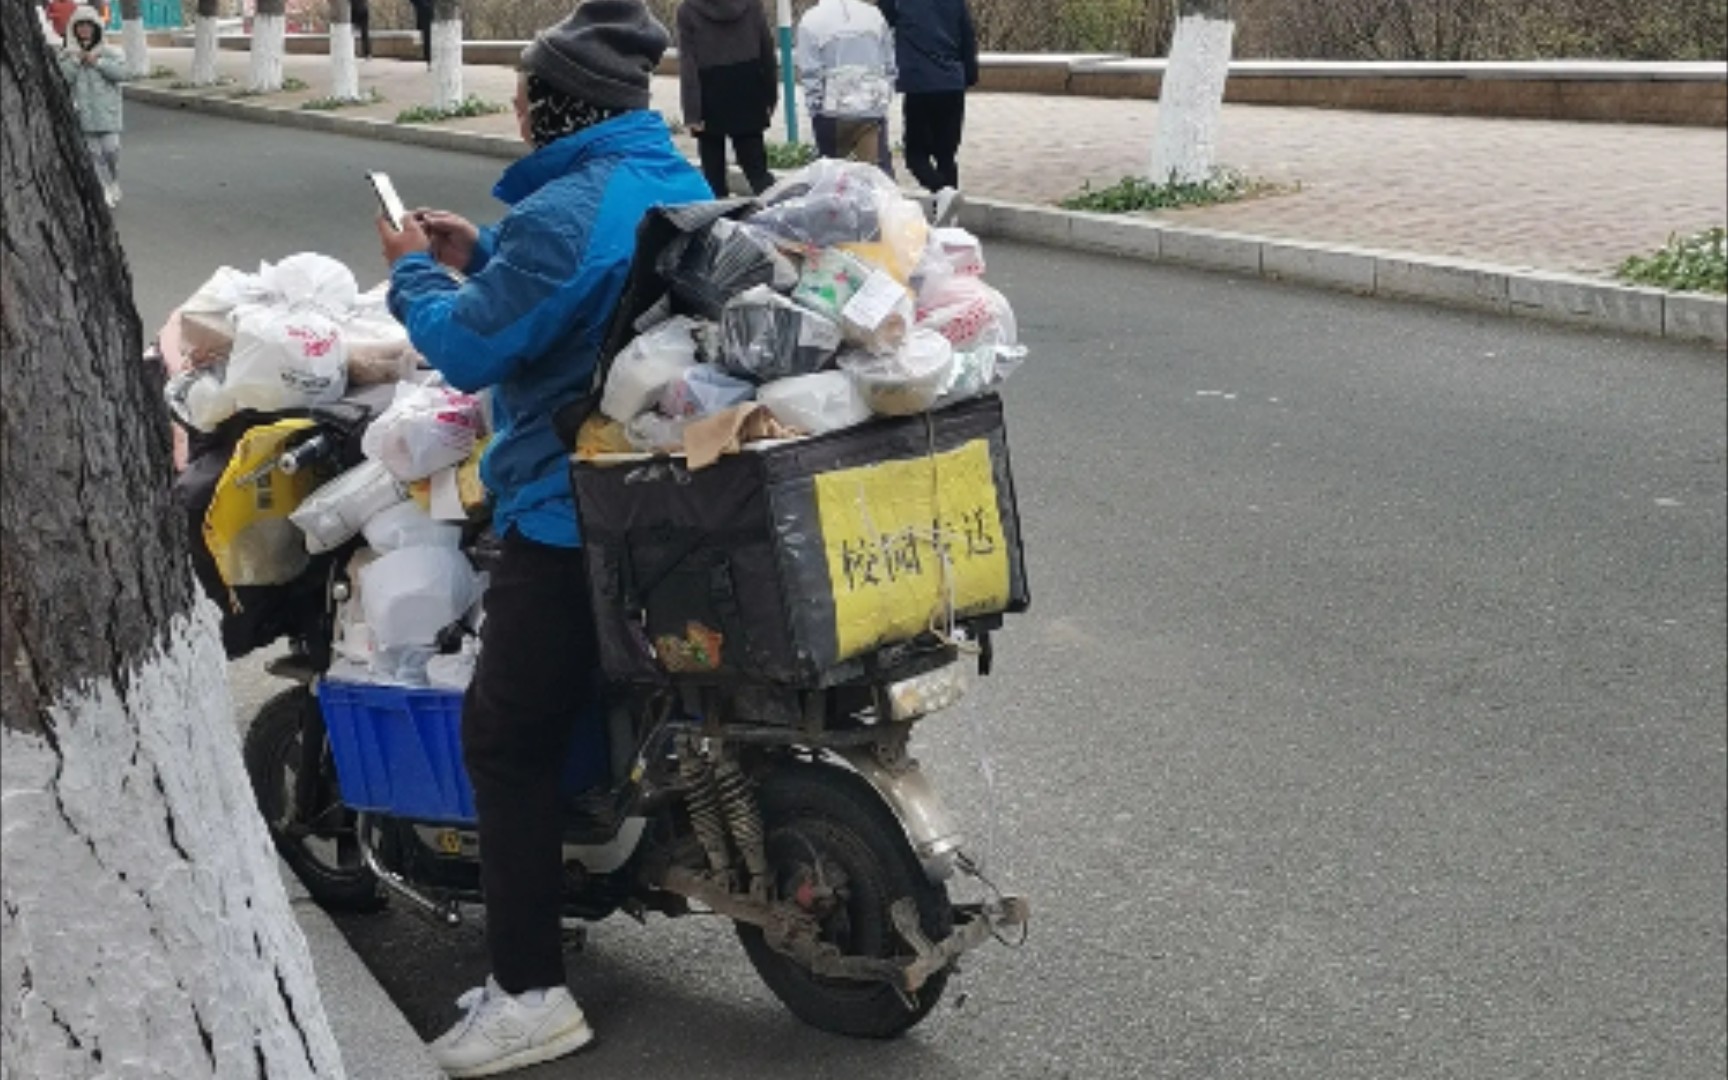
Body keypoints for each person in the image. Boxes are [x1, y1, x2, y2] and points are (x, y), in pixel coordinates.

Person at [373, 2, 710, 1075]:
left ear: (555, 110)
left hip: (572, 508)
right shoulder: (664, 176)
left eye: (522, 95)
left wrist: (415, 268)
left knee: (503, 739)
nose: (514, 111)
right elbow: (576, 289)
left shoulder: (569, 209)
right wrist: (489, 247)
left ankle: (529, 992)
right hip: (667, 491)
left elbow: (469, 349)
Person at [676, 0, 778, 198]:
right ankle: (776, 218)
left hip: (709, 93)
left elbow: (688, 65)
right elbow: (767, 52)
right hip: (749, 88)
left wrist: (692, 113)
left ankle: (719, 223)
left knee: (713, 179)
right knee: (758, 174)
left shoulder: (688, 10)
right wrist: (770, 96)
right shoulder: (752, 5)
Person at [879, 0, 976, 197]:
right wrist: (967, 76)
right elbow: (968, 38)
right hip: (952, 84)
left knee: (915, 156)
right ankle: (948, 214)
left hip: (919, 85)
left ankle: (942, 192)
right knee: (946, 157)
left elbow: (879, 26)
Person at [796, 0, 896, 176]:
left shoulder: (811, 20)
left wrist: (816, 109)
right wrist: (884, 98)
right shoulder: (874, 15)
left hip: (832, 112)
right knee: (876, 177)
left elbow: (810, 72)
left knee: (833, 179)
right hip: (871, 109)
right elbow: (889, 63)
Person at [56, 5, 129, 209]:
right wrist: (77, 61)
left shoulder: (110, 52)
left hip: (107, 114)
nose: (85, 30)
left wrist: (98, 63)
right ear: (74, 29)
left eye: (89, 25)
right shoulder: (66, 55)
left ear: (96, 28)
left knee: (111, 151)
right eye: (80, 26)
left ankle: (114, 180)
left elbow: (122, 74)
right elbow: (62, 79)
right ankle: (103, 188)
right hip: (84, 115)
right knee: (94, 156)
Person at [409, 0, 433, 67]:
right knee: (428, 37)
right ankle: (430, 61)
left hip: (440, 13)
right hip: (425, 14)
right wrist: (424, 6)